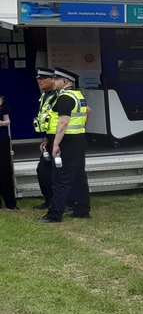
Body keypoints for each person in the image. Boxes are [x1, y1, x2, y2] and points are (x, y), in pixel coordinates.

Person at [39, 69, 90, 223]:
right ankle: (82, 210)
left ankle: (54, 215)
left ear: (65, 82)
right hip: (78, 140)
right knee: (79, 177)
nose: (53, 81)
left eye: (56, 79)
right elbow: (88, 112)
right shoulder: (78, 96)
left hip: (66, 142)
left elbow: (63, 122)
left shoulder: (65, 98)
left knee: (60, 179)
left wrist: (55, 144)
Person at [33, 69, 58, 207]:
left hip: (60, 140)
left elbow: (87, 110)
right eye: (38, 78)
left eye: (42, 78)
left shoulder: (59, 95)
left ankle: (65, 202)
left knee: (59, 172)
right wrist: (47, 139)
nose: (39, 81)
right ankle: (49, 200)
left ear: (52, 79)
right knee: (42, 170)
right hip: (50, 139)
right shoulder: (44, 96)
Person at [0, 94, 15, 210]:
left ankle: (10, 203)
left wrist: (1, 123)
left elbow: (7, 121)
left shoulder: (1, 101)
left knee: (5, 170)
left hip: (2, 138)